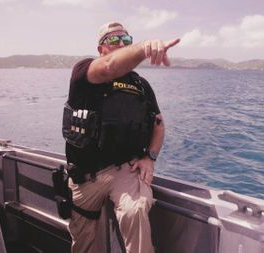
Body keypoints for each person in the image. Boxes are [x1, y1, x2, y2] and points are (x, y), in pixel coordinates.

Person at [62, 21, 180, 253]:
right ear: (101, 49)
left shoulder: (141, 85)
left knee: (135, 210)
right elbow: (108, 67)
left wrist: (150, 157)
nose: (121, 44)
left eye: (126, 40)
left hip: (125, 170)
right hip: (86, 174)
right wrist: (145, 47)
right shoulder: (85, 71)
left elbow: (158, 123)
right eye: (113, 40)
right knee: (83, 241)